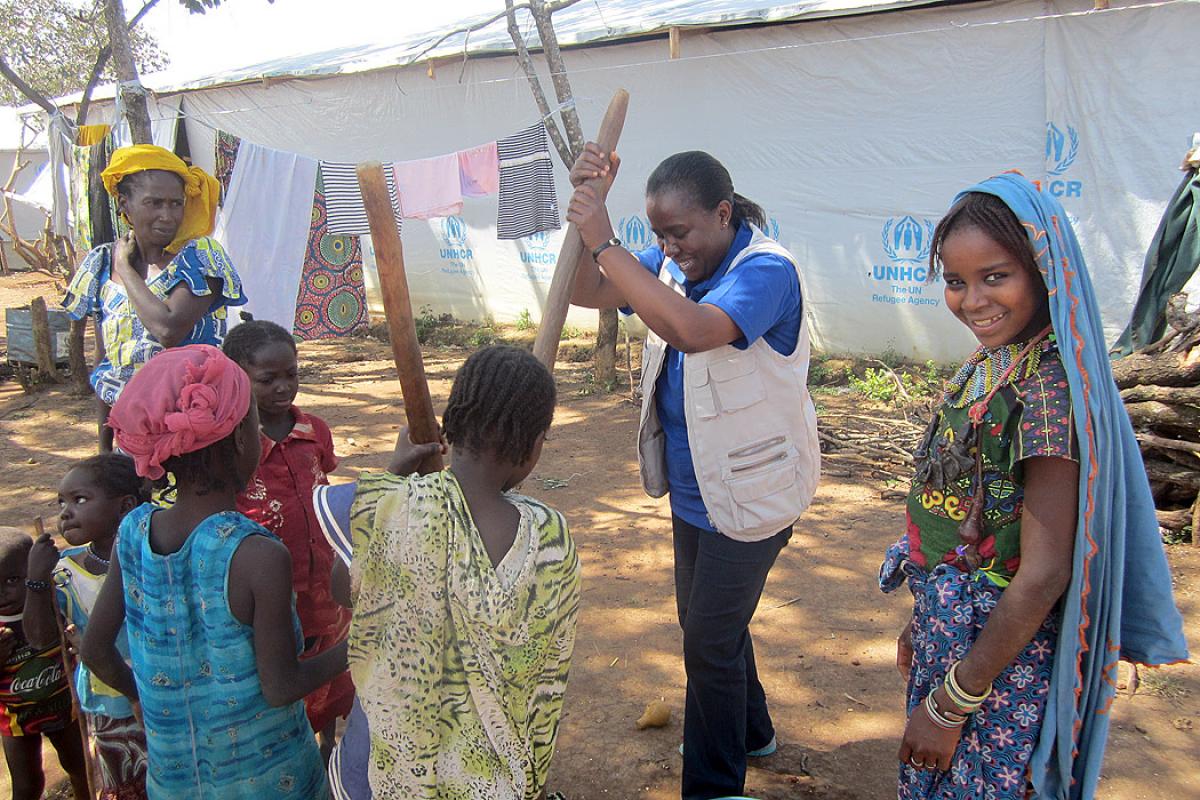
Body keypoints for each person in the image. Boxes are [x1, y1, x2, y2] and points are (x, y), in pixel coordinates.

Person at [880, 173, 1189, 799]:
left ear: (1045, 272)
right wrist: (927, 621)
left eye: (996, 277)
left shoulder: (1047, 393)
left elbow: (1044, 572)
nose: (973, 300)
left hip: (1002, 663)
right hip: (961, 638)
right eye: (956, 281)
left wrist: (952, 703)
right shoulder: (988, 365)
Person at [566, 147, 820, 799]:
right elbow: (586, 287)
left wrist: (607, 242)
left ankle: (713, 787)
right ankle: (751, 730)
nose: (669, 248)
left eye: (679, 232)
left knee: (708, 638)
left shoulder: (766, 272)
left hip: (757, 494)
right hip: (695, 489)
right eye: (658, 236)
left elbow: (692, 329)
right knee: (710, 626)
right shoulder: (672, 261)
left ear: (724, 213)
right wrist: (587, 218)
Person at [316, 345, 580, 800]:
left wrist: (394, 475)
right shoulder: (551, 536)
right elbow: (544, 662)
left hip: (383, 772)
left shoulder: (392, 508)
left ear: (452, 424)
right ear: (533, 443)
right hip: (491, 779)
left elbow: (344, 589)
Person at [81, 344, 345, 799]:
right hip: (271, 780)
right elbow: (282, 686)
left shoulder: (132, 532)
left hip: (173, 779)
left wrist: (145, 701)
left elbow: (94, 650)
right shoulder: (258, 554)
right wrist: (364, 643)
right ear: (242, 439)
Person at [223, 320, 354, 759]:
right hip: (272, 586)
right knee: (285, 665)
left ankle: (326, 742)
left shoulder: (314, 430)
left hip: (324, 578)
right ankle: (291, 749)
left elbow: (323, 480)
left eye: (291, 374)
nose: (284, 387)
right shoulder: (232, 443)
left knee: (330, 658)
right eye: (268, 379)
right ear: (237, 376)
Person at [62, 144, 246, 451]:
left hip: (193, 435)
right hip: (130, 438)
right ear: (124, 203)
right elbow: (107, 365)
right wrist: (106, 451)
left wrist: (126, 268)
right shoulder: (100, 265)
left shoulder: (201, 258)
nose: (167, 215)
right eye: (154, 203)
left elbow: (168, 329)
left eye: (176, 204)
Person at [23, 454, 150, 799]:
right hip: (106, 709)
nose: (65, 512)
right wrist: (36, 582)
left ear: (125, 506)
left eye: (80, 500)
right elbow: (40, 639)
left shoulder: (155, 560)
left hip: (160, 699)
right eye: (61, 502)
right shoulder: (65, 571)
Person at [0, 527, 88, 800]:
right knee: (27, 785)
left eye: (12, 579)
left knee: (80, 768)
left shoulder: (53, 600)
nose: (1, 593)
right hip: (16, 718)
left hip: (64, 706)